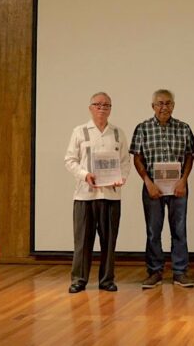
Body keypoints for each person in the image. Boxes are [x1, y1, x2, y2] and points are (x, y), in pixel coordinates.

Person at [64, 92, 130, 293]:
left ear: (111, 109)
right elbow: (70, 160)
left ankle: (107, 280)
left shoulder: (118, 133)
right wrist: (85, 175)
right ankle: (79, 279)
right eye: (98, 104)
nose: (102, 108)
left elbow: (125, 162)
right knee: (83, 239)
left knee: (109, 240)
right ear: (90, 107)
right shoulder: (79, 131)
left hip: (110, 195)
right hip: (85, 195)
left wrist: (122, 178)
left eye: (106, 105)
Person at [130, 89, 194, 289]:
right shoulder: (142, 128)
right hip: (153, 189)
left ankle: (179, 272)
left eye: (168, 103)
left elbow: (190, 155)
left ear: (173, 106)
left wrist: (183, 180)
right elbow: (137, 157)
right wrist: (147, 182)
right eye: (159, 103)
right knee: (153, 231)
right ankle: (155, 271)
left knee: (179, 230)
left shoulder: (184, 128)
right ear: (153, 106)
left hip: (178, 188)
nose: (164, 107)